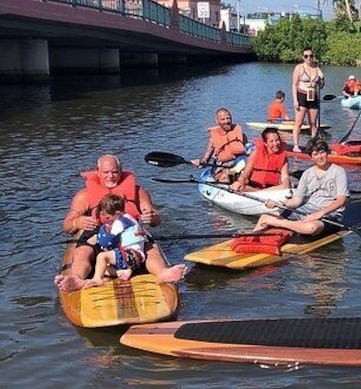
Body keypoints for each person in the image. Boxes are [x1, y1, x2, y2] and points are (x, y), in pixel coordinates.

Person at [54, 155, 186, 292]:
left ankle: (162, 273)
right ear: (98, 171)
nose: (110, 176)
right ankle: (76, 278)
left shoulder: (138, 191)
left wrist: (152, 217)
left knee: (151, 249)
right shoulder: (84, 195)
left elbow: (156, 220)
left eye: (115, 172)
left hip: (130, 233)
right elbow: (67, 226)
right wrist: (77, 222)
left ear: (121, 170)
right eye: (106, 172)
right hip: (99, 232)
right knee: (82, 251)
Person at [252, 139, 348, 236]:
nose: (319, 157)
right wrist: (280, 203)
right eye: (315, 154)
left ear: (327, 153)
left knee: (311, 228)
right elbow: (297, 200)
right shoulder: (307, 174)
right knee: (265, 216)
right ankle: (247, 242)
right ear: (311, 157)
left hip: (330, 214)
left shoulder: (338, 171)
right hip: (307, 210)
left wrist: (320, 213)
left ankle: (280, 223)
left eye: (322, 152)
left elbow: (341, 200)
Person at [83, 194, 148, 287]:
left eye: (108, 217)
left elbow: (107, 240)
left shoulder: (119, 223)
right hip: (139, 258)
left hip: (129, 256)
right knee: (103, 268)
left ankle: (97, 279)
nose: (108, 220)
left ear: (117, 213)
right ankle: (123, 271)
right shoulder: (131, 218)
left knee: (102, 257)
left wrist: (96, 238)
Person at [191, 107, 248, 182]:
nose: (227, 121)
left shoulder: (240, 135)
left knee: (246, 171)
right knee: (225, 177)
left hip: (239, 163)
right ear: (217, 121)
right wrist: (200, 162)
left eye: (228, 118)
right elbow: (205, 160)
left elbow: (247, 153)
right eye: (223, 119)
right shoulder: (213, 139)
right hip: (222, 166)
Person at [231, 127, 291, 192]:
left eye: (277, 140)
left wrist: (286, 183)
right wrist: (241, 181)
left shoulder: (283, 158)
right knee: (237, 185)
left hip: (271, 190)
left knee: (286, 186)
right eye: (271, 141)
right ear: (265, 143)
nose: (275, 144)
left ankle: (261, 193)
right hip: (253, 188)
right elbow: (246, 173)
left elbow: (285, 177)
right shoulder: (256, 153)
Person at [291, 47, 325, 152]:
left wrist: (322, 79)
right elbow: (294, 85)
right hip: (302, 95)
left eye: (310, 56)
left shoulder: (317, 68)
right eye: (306, 56)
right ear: (303, 57)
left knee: (313, 123)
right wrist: (295, 100)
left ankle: (314, 144)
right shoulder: (299, 68)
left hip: (313, 96)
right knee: (299, 122)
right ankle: (296, 145)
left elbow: (322, 86)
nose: (309, 58)